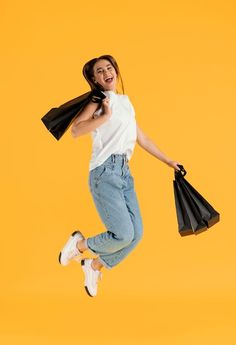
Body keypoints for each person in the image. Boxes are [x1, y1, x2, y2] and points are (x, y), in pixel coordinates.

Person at [58, 54, 182, 297]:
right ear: (95, 79)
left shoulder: (125, 102)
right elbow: (76, 130)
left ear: (115, 70)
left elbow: (141, 138)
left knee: (136, 235)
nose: (106, 72)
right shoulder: (98, 100)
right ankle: (79, 245)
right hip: (104, 172)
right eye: (100, 71)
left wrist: (168, 161)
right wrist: (104, 116)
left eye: (109, 67)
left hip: (124, 173)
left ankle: (94, 265)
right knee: (123, 234)